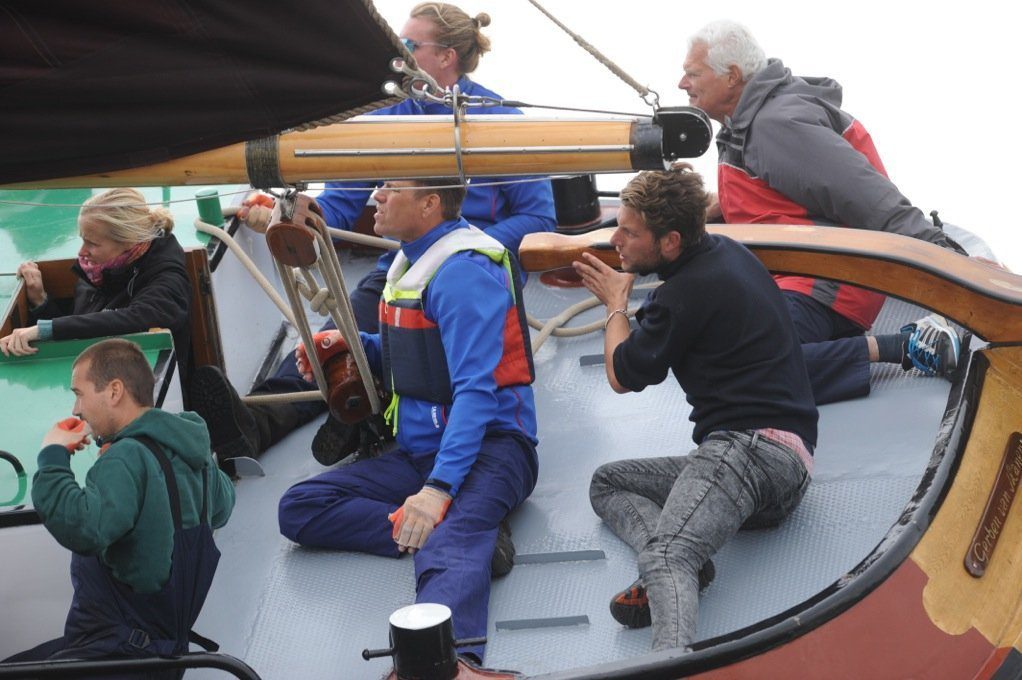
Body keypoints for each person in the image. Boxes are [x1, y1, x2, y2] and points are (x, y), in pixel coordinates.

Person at [190, 1, 556, 466]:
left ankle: (368, 419)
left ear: (445, 57)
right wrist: (299, 212)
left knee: (425, 360)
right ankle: (256, 425)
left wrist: (456, 249)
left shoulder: (501, 123)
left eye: (406, 46)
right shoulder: (384, 120)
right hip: (402, 273)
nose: (396, 57)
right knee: (330, 343)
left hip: (477, 282)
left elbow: (540, 221)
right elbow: (339, 208)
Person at [277, 178, 539, 665]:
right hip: (422, 450)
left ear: (430, 203)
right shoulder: (410, 263)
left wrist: (437, 490)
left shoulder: (462, 274)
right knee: (300, 507)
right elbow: (413, 357)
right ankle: (449, 528)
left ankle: (452, 667)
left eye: (390, 187)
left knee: (447, 553)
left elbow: (476, 394)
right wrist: (345, 344)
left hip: (493, 448)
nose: (374, 195)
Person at [573, 166, 816, 652]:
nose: (615, 239)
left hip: (747, 453)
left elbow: (623, 376)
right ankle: (687, 559)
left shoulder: (681, 295)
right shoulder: (730, 252)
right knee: (609, 482)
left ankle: (669, 661)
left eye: (629, 231)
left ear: (670, 242)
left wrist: (616, 306)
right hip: (785, 465)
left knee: (669, 558)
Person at [679, 20, 961, 405]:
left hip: (823, 285)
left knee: (747, 376)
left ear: (731, 77)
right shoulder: (753, 121)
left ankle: (906, 347)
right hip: (799, 281)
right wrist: (709, 209)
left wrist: (950, 261)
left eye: (693, 73)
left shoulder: (776, 127)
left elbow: (865, 196)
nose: (683, 84)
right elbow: (775, 196)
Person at [3, 338, 235, 675]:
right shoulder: (191, 451)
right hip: (167, 653)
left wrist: (53, 456)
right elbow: (222, 506)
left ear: (114, 392)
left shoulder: (125, 459)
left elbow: (84, 527)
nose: (75, 409)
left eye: (79, 394)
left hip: (118, 655)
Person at [0, 188, 193, 382]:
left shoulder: (167, 278)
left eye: (91, 243)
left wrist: (44, 330)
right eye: (83, 240)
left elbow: (138, 316)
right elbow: (82, 325)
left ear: (128, 242)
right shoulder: (100, 269)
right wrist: (41, 301)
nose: (82, 252)